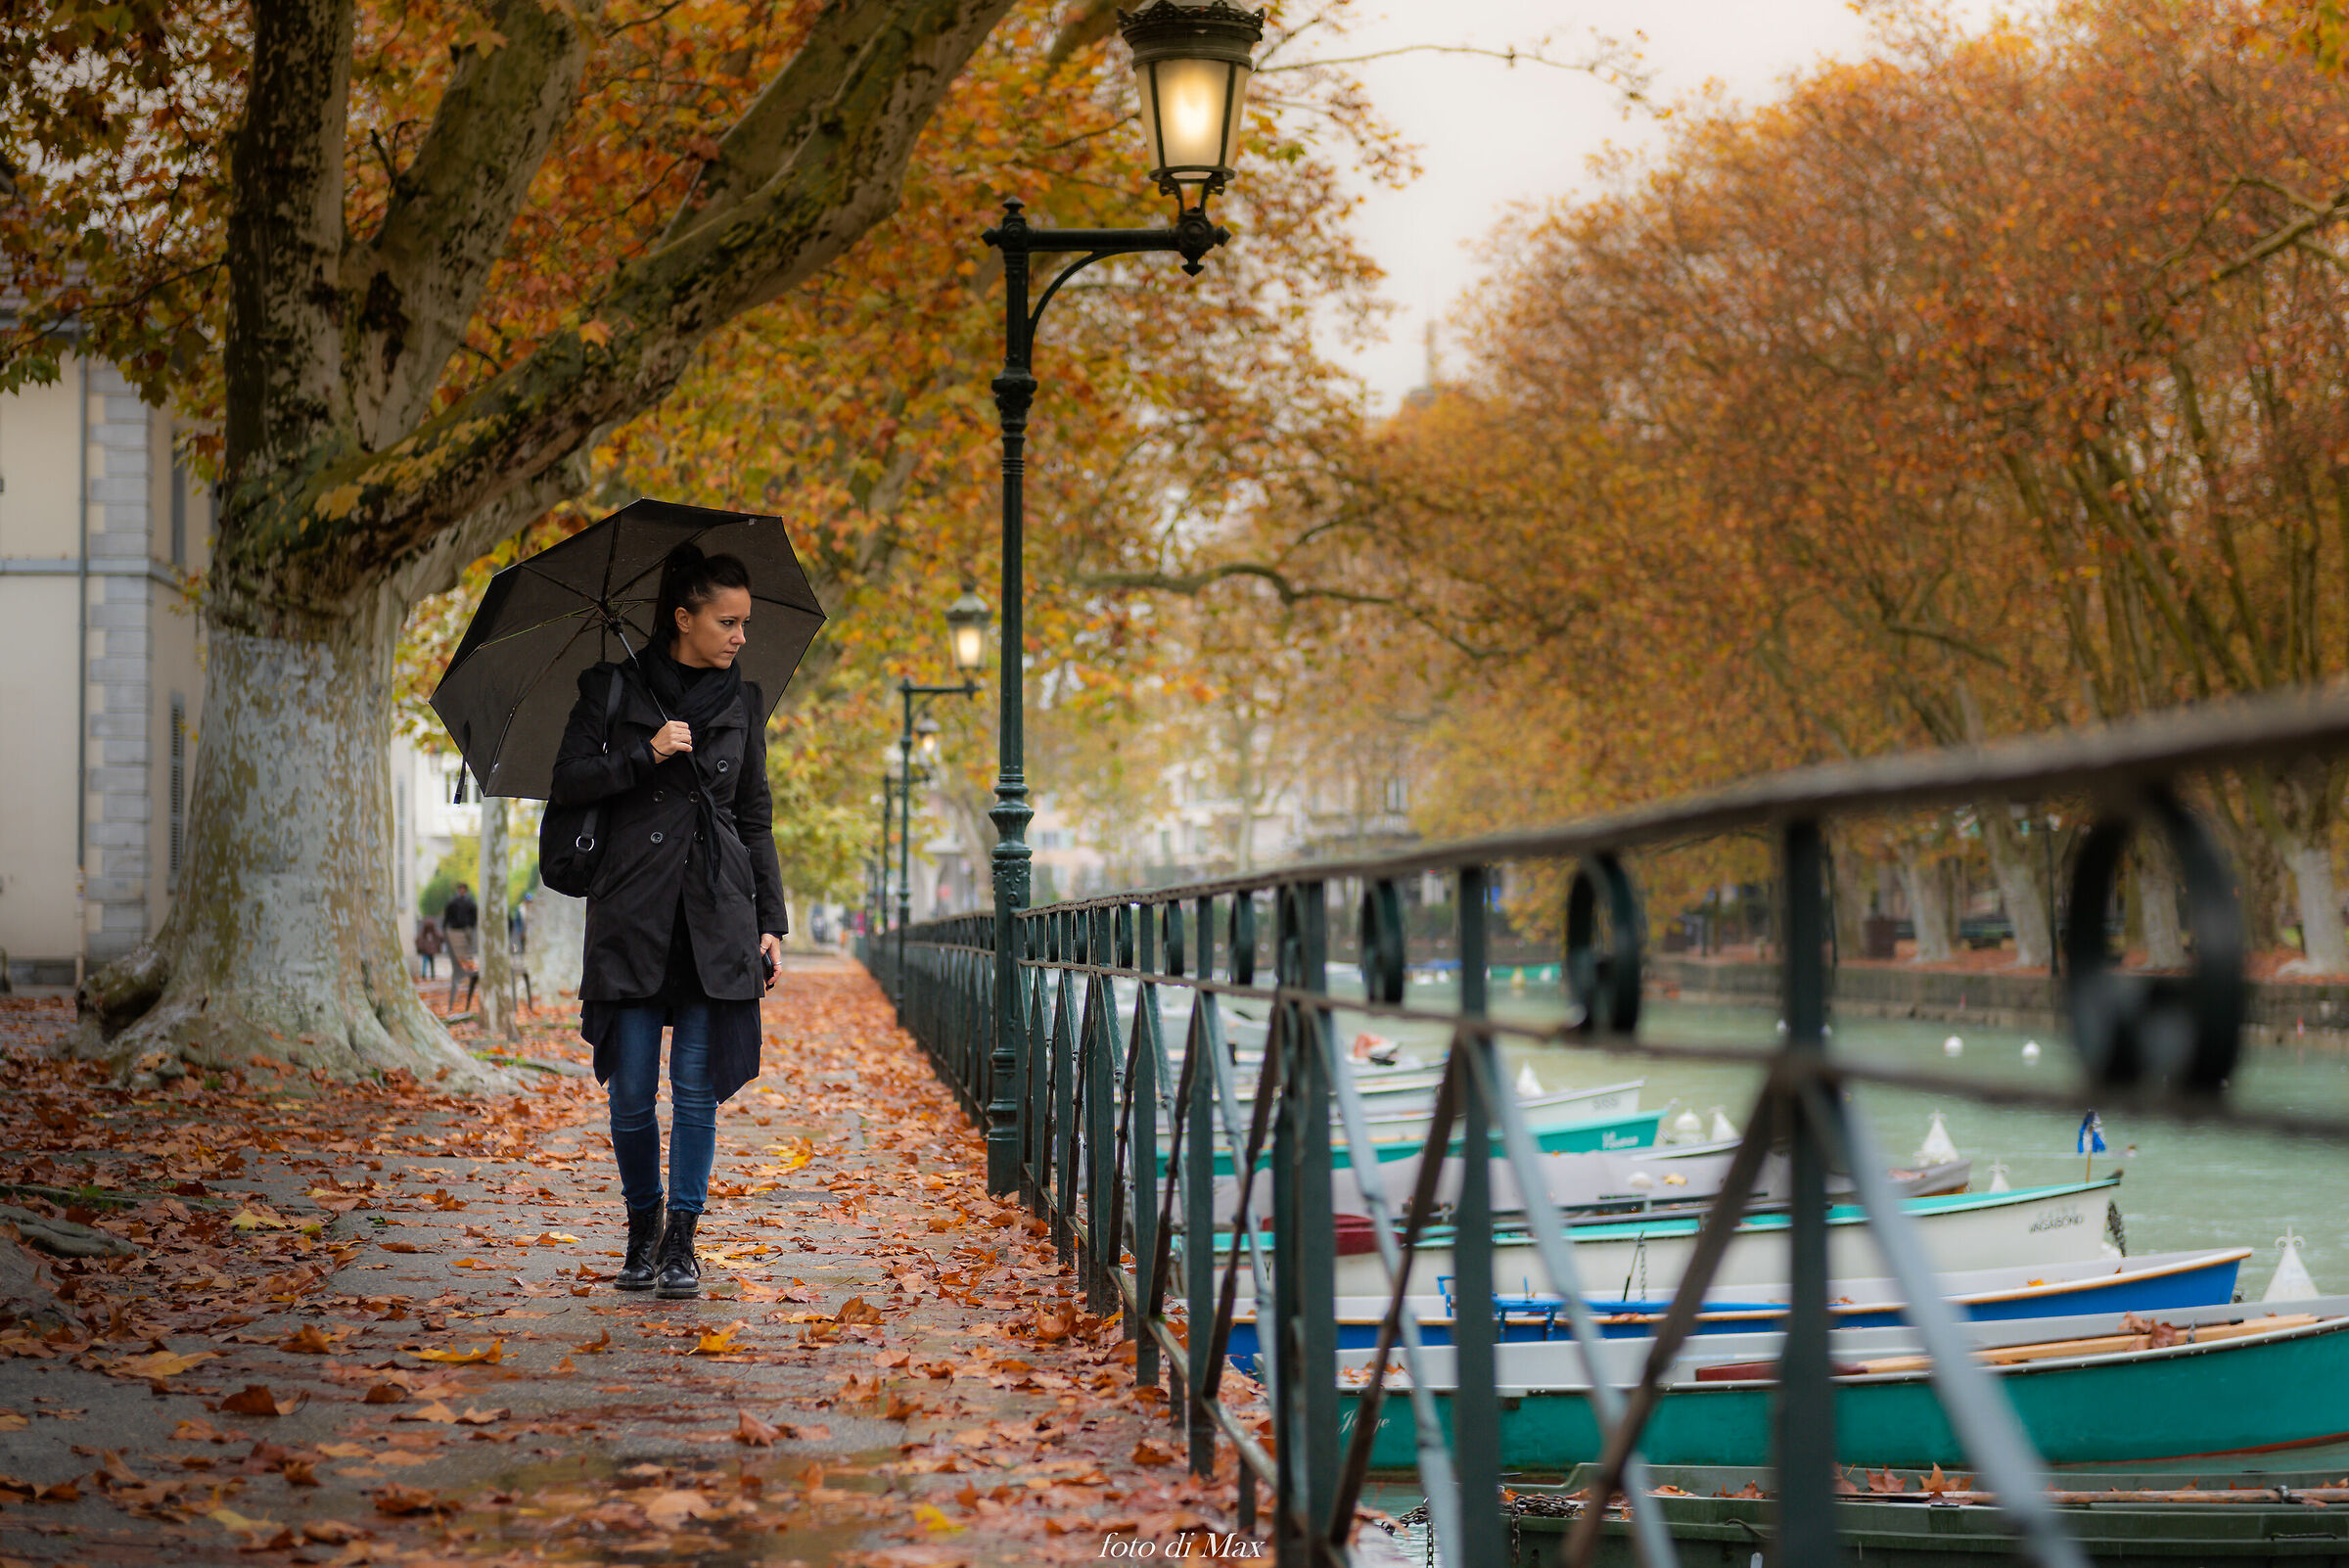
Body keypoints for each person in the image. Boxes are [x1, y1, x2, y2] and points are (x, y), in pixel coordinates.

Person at [550, 543, 786, 1299]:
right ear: (683, 618)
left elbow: (754, 816)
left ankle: (681, 1242)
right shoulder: (612, 689)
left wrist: (770, 919)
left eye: (745, 622)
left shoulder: (744, 704)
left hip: (715, 910)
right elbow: (567, 782)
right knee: (628, 1094)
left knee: (693, 1090)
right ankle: (640, 1228)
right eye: (728, 621)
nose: (741, 636)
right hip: (633, 909)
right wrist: (645, 754)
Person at [441, 883, 480, 1011]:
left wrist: (471, 925)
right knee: (462, 958)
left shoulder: (470, 902)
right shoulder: (453, 902)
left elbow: (474, 915)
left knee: (467, 954)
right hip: (456, 929)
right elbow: (447, 916)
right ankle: (464, 968)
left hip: (466, 928)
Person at [414, 916, 444, 980]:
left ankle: (429, 975)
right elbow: (419, 940)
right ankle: (427, 975)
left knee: (429, 963)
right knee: (428, 963)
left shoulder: (432, 933)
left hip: (429, 951)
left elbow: (440, 938)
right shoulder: (426, 934)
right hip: (427, 951)